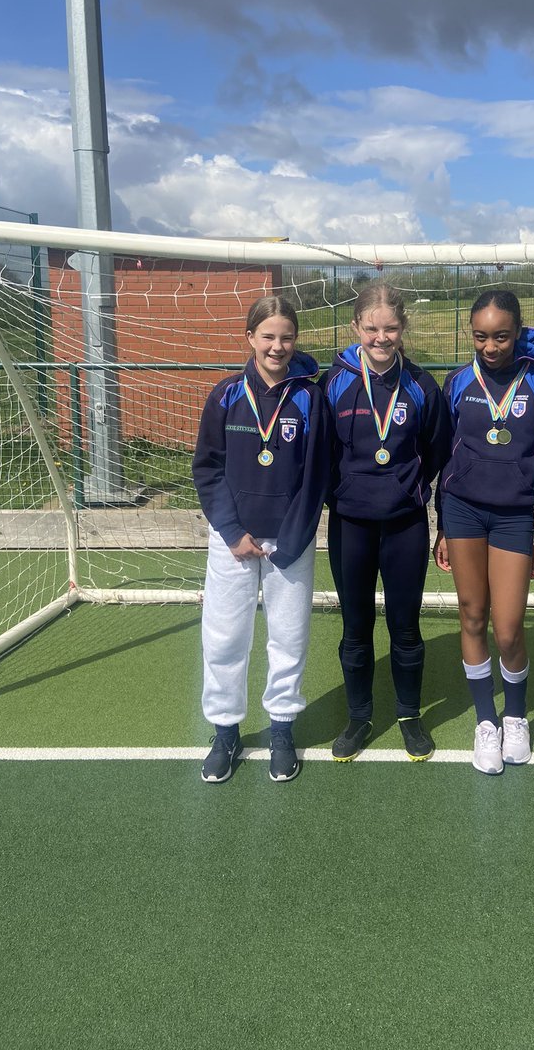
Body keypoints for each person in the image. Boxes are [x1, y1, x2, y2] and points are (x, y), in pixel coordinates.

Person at [192, 296, 330, 784]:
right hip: (233, 541)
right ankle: (225, 731)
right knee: (226, 635)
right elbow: (207, 469)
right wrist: (231, 532)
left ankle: (281, 728)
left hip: (290, 543)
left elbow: (317, 476)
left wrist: (292, 539)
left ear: (295, 341)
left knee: (288, 638)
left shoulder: (311, 398)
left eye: (286, 337)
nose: (277, 346)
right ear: (249, 337)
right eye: (268, 336)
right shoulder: (225, 395)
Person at [434, 289, 534, 775]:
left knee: (508, 628)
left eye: (501, 336)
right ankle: (485, 722)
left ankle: (516, 716)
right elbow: (441, 457)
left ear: (518, 332)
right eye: (481, 337)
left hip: (514, 518)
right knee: (472, 615)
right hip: (462, 511)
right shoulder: (455, 382)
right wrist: (442, 524)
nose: (490, 347)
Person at [322, 284, 451, 762]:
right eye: (371, 328)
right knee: (356, 628)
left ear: (403, 329)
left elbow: (439, 453)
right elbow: (323, 453)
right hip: (350, 525)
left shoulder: (421, 386)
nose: (381, 337)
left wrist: (409, 492)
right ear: (356, 327)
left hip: (405, 525)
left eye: (391, 328)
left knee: (405, 627)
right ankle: (358, 717)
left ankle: (408, 715)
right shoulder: (333, 383)